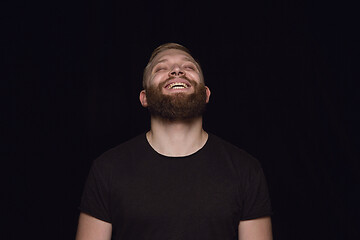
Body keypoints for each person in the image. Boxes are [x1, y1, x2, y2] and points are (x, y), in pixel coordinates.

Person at [76, 43, 273, 240]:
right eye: (161, 68)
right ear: (144, 98)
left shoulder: (246, 170)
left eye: (188, 67)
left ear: (206, 94)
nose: (177, 71)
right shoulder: (107, 170)